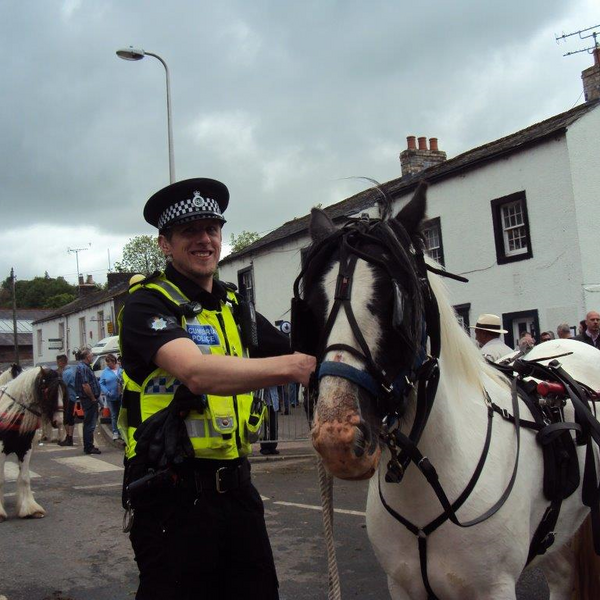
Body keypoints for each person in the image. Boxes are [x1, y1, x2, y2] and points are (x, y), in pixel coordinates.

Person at [119, 178, 316, 600]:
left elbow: (308, 347)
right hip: (169, 494)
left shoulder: (233, 306)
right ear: (164, 244)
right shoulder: (146, 305)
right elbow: (197, 373)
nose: (204, 239)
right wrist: (296, 367)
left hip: (237, 492)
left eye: (211, 228)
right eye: (190, 230)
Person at [74, 348, 102, 455]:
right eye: (91, 355)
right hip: (89, 400)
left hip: (88, 399)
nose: (92, 357)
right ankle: (89, 446)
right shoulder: (83, 368)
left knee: (88, 423)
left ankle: (89, 446)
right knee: (90, 423)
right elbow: (85, 385)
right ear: (87, 357)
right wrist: (93, 398)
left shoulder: (84, 367)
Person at [99, 353, 123, 441]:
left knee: (121, 414)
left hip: (121, 395)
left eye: (109, 362)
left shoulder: (120, 370)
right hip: (111, 396)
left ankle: (121, 432)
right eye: (107, 363)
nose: (108, 364)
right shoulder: (105, 372)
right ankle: (115, 432)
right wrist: (107, 392)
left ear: (113, 361)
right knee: (114, 415)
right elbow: (101, 383)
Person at [57, 354, 77, 447]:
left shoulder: (67, 373)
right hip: (71, 397)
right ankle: (69, 438)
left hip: (68, 397)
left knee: (67, 418)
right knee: (69, 418)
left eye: (58, 362)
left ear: (62, 362)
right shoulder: (70, 370)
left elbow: (63, 386)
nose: (58, 364)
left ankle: (69, 438)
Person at [260, 386, 280, 456]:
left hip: (274, 402)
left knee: (274, 426)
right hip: (264, 401)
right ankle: (264, 447)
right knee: (264, 426)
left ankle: (273, 446)